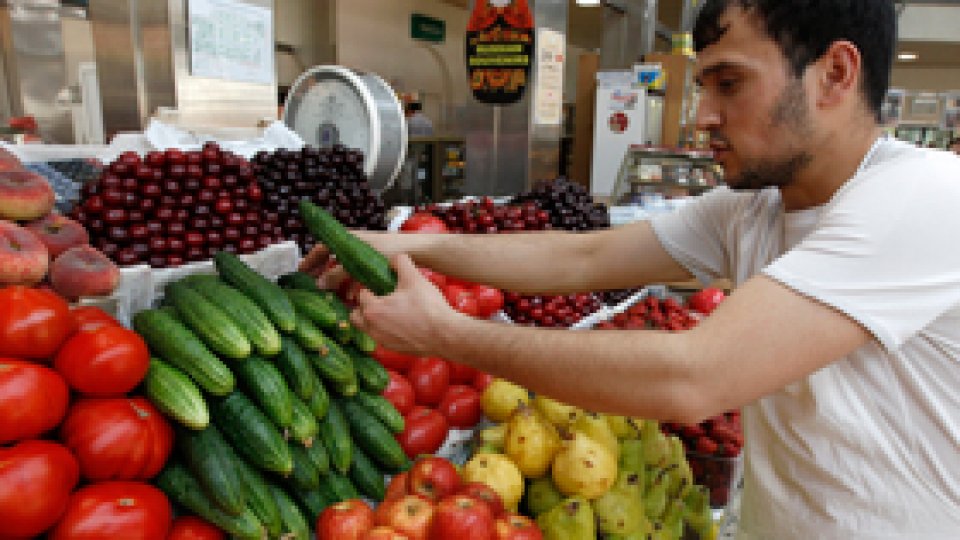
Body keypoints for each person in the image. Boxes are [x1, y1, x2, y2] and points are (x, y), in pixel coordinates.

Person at [303, 1, 960, 537]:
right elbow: (583, 255)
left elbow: (694, 376)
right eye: (704, 86)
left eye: (729, 84)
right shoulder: (754, 208)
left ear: (836, 74)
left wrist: (446, 334)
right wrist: (417, 245)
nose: (702, 115)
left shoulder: (923, 199)